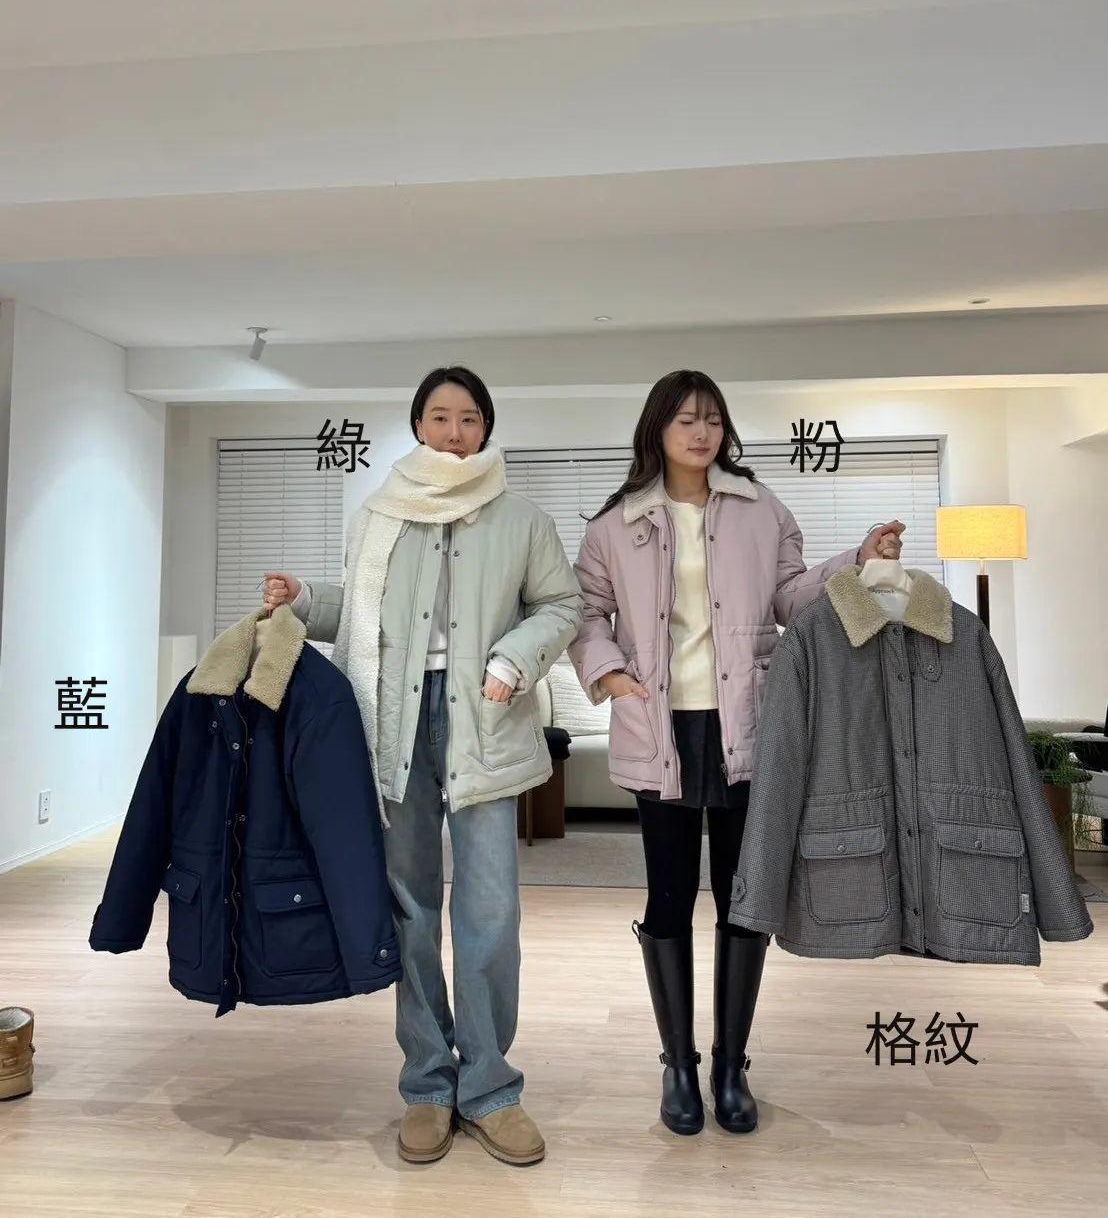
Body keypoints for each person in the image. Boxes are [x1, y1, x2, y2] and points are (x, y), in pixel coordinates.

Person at [568, 371, 904, 1138]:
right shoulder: (616, 524)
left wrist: (856, 560)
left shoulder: (761, 508)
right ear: (657, 429)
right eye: (686, 419)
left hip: (748, 722)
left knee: (741, 895)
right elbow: (586, 614)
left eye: (713, 419)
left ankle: (730, 1067)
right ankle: (678, 1066)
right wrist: (611, 674)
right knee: (667, 897)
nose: (701, 432)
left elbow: (791, 597)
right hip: (658, 726)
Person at [263, 367, 582, 1168]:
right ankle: (427, 1085)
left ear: (487, 428)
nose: (454, 431)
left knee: (489, 912)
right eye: (440, 416)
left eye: (469, 417)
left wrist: (513, 660)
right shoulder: (381, 515)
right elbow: (361, 616)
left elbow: (562, 606)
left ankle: (491, 1088)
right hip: (393, 726)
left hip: (485, 719)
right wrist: (304, 600)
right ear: (417, 426)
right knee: (408, 908)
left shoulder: (522, 518)